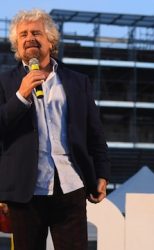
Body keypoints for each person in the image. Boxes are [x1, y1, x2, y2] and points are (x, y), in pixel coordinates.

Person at [0, 9, 111, 250]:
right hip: (24, 192)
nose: (29, 37)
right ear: (17, 46)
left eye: (36, 32)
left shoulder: (77, 81)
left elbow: (94, 133)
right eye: (23, 35)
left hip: (71, 186)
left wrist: (101, 173)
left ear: (50, 41)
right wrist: (21, 96)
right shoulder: (5, 83)